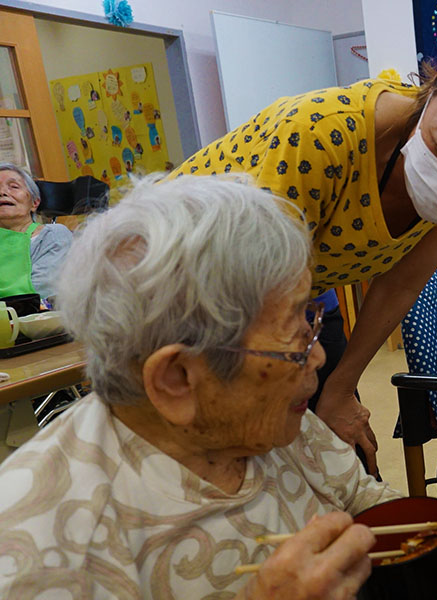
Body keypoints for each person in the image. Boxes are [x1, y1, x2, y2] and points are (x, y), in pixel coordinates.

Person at [168, 0, 437, 473]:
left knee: (345, 461)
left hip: (303, 298)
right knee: (239, 467)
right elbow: (248, 301)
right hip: (192, 291)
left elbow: (401, 283)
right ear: (433, 85)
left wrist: (338, 390)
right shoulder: (321, 137)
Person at [0, 176, 400, 598]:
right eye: (292, 331)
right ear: (178, 379)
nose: (316, 356)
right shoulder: (41, 550)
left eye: (309, 317)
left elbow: (360, 497)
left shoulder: (272, 415)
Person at [0, 163, 72, 300]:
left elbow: (45, 288)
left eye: (14, 187)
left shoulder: (53, 235)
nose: (2, 193)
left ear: (34, 203)